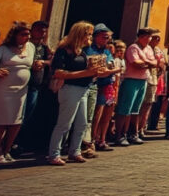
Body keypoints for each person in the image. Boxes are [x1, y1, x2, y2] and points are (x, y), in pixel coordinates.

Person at [47, 21, 102, 165]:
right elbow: (58, 72)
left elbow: (86, 72)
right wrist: (86, 73)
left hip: (83, 89)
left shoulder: (82, 51)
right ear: (80, 34)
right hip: (70, 89)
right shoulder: (64, 50)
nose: (90, 37)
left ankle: (75, 151)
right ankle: (54, 154)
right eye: (88, 34)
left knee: (82, 123)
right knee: (64, 124)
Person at [0, 22, 34, 163]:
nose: (27, 37)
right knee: (0, 121)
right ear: (15, 35)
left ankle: (7, 150)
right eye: (23, 34)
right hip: (3, 90)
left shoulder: (31, 47)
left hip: (21, 91)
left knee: (16, 121)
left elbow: (32, 63)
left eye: (28, 34)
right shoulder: (4, 49)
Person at [115, 28, 157, 146]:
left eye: (150, 36)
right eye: (147, 36)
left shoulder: (149, 49)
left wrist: (145, 62)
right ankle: (119, 135)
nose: (149, 39)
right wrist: (147, 62)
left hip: (143, 80)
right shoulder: (133, 48)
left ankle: (133, 133)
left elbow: (155, 63)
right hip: (131, 80)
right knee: (125, 109)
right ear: (141, 37)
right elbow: (135, 63)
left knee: (136, 109)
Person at [16, 20, 52, 154]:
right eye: (39, 30)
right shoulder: (25, 45)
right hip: (22, 85)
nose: (42, 33)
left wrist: (44, 62)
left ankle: (20, 142)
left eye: (44, 31)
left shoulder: (44, 47)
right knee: (18, 115)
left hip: (36, 85)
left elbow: (51, 59)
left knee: (28, 115)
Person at [85, 24, 118, 154]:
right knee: (93, 114)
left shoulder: (107, 51)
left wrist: (110, 70)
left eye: (108, 37)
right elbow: (99, 69)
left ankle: (101, 139)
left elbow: (109, 67)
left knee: (106, 113)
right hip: (93, 85)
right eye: (104, 37)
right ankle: (90, 141)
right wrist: (109, 70)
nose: (107, 40)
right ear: (96, 36)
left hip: (107, 84)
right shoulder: (88, 49)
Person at [141, 32, 166, 135]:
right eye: (154, 37)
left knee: (150, 103)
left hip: (155, 78)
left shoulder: (158, 50)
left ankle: (143, 126)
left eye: (158, 38)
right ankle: (137, 127)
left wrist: (160, 66)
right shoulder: (144, 49)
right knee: (141, 104)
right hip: (145, 77)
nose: (156, 40)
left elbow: (162, 63)